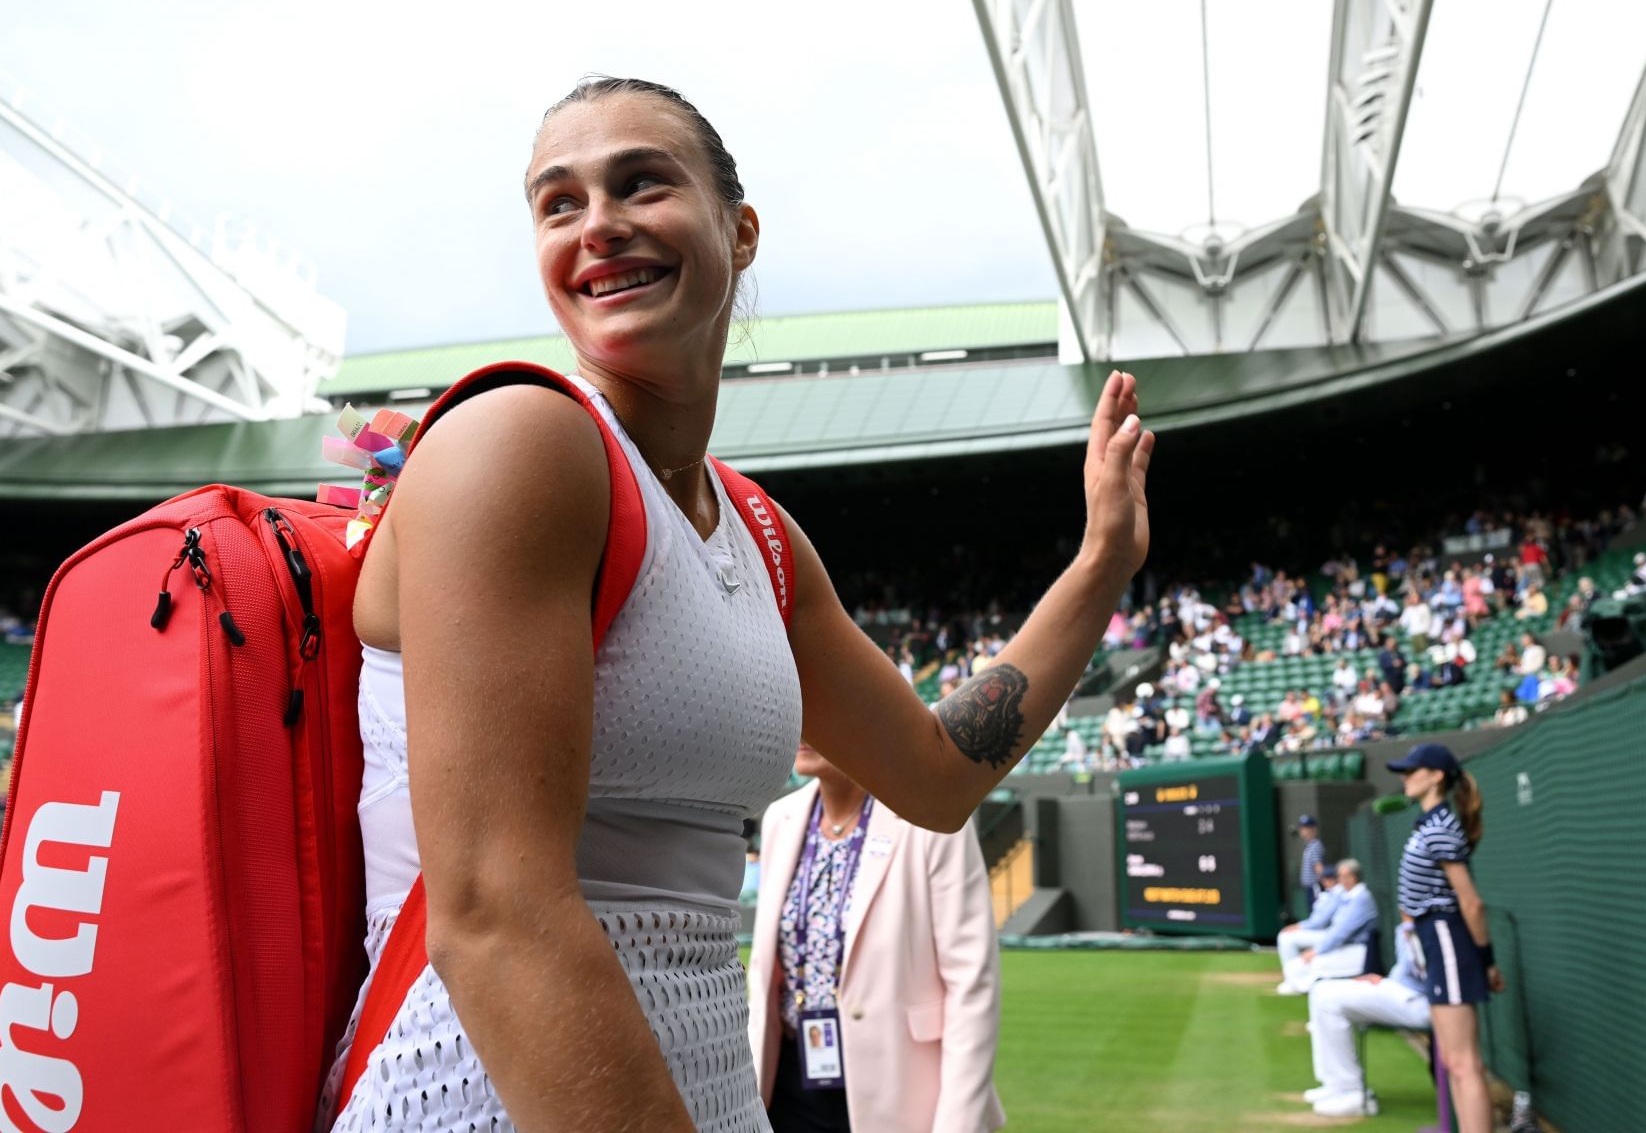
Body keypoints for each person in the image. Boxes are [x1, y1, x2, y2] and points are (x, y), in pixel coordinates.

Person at [322, 77, 1154, 1131]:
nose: (600, 225)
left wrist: (1101, 562)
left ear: (740, 229)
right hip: (479, 1095)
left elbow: (938, 777)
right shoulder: (516, 441)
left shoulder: (759, 532)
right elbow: (497, 913)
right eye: (558, 202)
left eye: (641, 183)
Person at [748, 743, 1004, 1132]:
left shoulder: (932, 818)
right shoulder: (782, 817)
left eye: (821, 711)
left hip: (901, 1091)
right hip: (788, 1085)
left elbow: (972, 986)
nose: (804, 727)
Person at [1387, 742, 1504, 1133]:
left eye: (1411, 771)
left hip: (1448, 939)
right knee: (1454, 1061)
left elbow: (1470, 903)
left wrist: (1486, 962)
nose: (1405, 778)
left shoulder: (1439, 829)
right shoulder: (1429, 825)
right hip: (1436, 942)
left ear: (1436, 776)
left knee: (1464, 1062)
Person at [1301, 923, 1433, 1118]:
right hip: (1402, 989)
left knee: (1328, 999)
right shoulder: (1407, 925)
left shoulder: (1432, 923)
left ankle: (1351, 1092)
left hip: (1423, 1002)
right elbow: (1407, 972)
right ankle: (1336, 1085)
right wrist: (1384, 980)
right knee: (1321, 990)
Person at [1278, 859, 1377, 994]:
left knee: (1299, 969)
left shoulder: (1361, 898)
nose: (1340, 880)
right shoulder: (1345, 894)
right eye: (1339, 877)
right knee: (1293, 967)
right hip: (1342, 947)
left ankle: (1311, 986)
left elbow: (1341, 932)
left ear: (1353, 878)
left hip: (1356, 951)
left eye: (1344, 877)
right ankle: (1301, 984)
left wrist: (1316, 951)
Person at [1276, 865, 1344, 971]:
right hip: (1327, 932)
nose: (1323, 882)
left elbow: (1320, 922)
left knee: (1285, 938)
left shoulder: (1338, 893)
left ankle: (1293, 975)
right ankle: (1294, 974)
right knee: (1285, 936)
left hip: (1331, 934)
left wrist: (1298, 926)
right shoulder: (1330, 893)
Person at [1295, 814, 1325, 910]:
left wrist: (1323, 886)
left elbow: (1319, 867)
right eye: (1302, 827)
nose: (1303, 830)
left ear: (1313, 829)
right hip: (1309, 887)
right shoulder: (1308, 845)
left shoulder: (1315, 845)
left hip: (1315, 887)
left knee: (1316, 912)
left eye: (1307, 828)